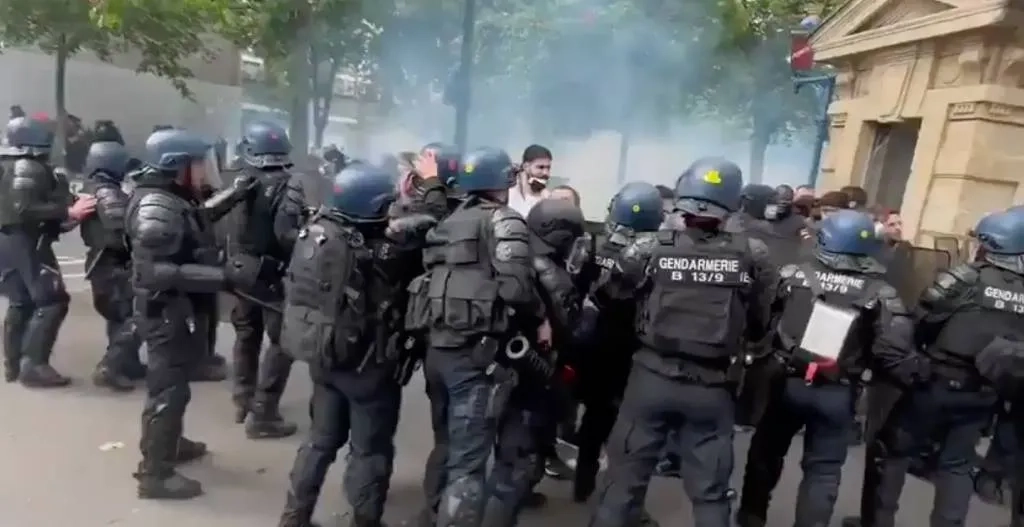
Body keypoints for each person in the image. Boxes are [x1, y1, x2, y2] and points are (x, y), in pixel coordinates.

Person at [589, 157, 777, 527]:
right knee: (710, 495)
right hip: (713, 386)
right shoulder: (753, 255)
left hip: (650, 379)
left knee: (622, 484)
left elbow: (608, 297)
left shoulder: (648, 248)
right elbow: (763, 319)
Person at [736, 210, 917, 527]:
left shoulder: (792, 275)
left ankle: (751, 516)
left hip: (788, 381)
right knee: (823, 470)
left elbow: (764, 319)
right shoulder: (881, 292)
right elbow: (892, 350)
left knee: (766, 452)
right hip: (839, 391)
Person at [842, 210, 1021, 527]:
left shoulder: (967, 277)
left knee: (893, 450)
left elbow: (922, 318)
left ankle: (877, 522)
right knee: (957, 466)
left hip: (935, 382)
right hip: (986, 391)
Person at [409, 146, 549, 527]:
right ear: (503, 180)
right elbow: (516, 289)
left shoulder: (449, 221)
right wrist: (540, 317)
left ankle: (431, 514)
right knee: (468, 465)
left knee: (446, 443)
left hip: (437, 351)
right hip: (474, 357)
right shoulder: (504, 220)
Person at [279, 163, 420, 527]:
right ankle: (365, 520)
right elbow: (415, 240)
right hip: (367, 366)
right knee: (370, 450)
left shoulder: (319, 234)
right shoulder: (377, 253)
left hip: (326, 358)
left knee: (319, 441)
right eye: (385, 204)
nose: (390, 211)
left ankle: (294, 517)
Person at [126, 128, 259, 499]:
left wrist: (235, 194)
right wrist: (223, 277)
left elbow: (196, 218)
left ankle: (170, 443)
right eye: (199, 163)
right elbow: (155, 272)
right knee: (167, 390)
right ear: (178, 165)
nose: (204, 170)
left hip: (172, 308)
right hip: (163, 310)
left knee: (176, 387)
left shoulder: (171, 197)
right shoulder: (156, 205)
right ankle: (155, 473)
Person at [573, 181, 664, 504]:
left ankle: (583, 482)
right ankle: (617, 495)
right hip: (632, 347)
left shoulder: (593, 243)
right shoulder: (656, 254)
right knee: (628, 423)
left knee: (594, 415)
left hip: (593, 343)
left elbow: (575, 287)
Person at [0, 116, 96, 386]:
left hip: (12, 240)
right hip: (25, 240)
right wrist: (68, 211)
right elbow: (24, 208)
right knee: (51, 300)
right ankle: (33, 365)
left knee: (22, 300)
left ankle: (14, 363)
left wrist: (67, 213)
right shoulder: (26, 166)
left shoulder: (9, 164)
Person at [227, 121, 304, 439]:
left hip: (238, 268)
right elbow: (285, 234)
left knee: (247, 332)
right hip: (270, 272)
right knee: (283, 341)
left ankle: (243, 397)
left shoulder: (239, 180)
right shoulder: (287, 184)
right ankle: (264, 413)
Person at [79, 141, 144, 391]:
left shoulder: (95, 188)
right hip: (113, 264)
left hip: (103, 266)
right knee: (139, 315)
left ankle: (128, 363)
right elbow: (122, 233)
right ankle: (110, 366)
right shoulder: (108, 193)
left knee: (120, 315)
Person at [508, 144, 552, 217]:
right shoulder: (510, 191)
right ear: (526, 166)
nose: (546, 173)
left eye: (548, 168)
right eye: (540, 167)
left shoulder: (545, 194)